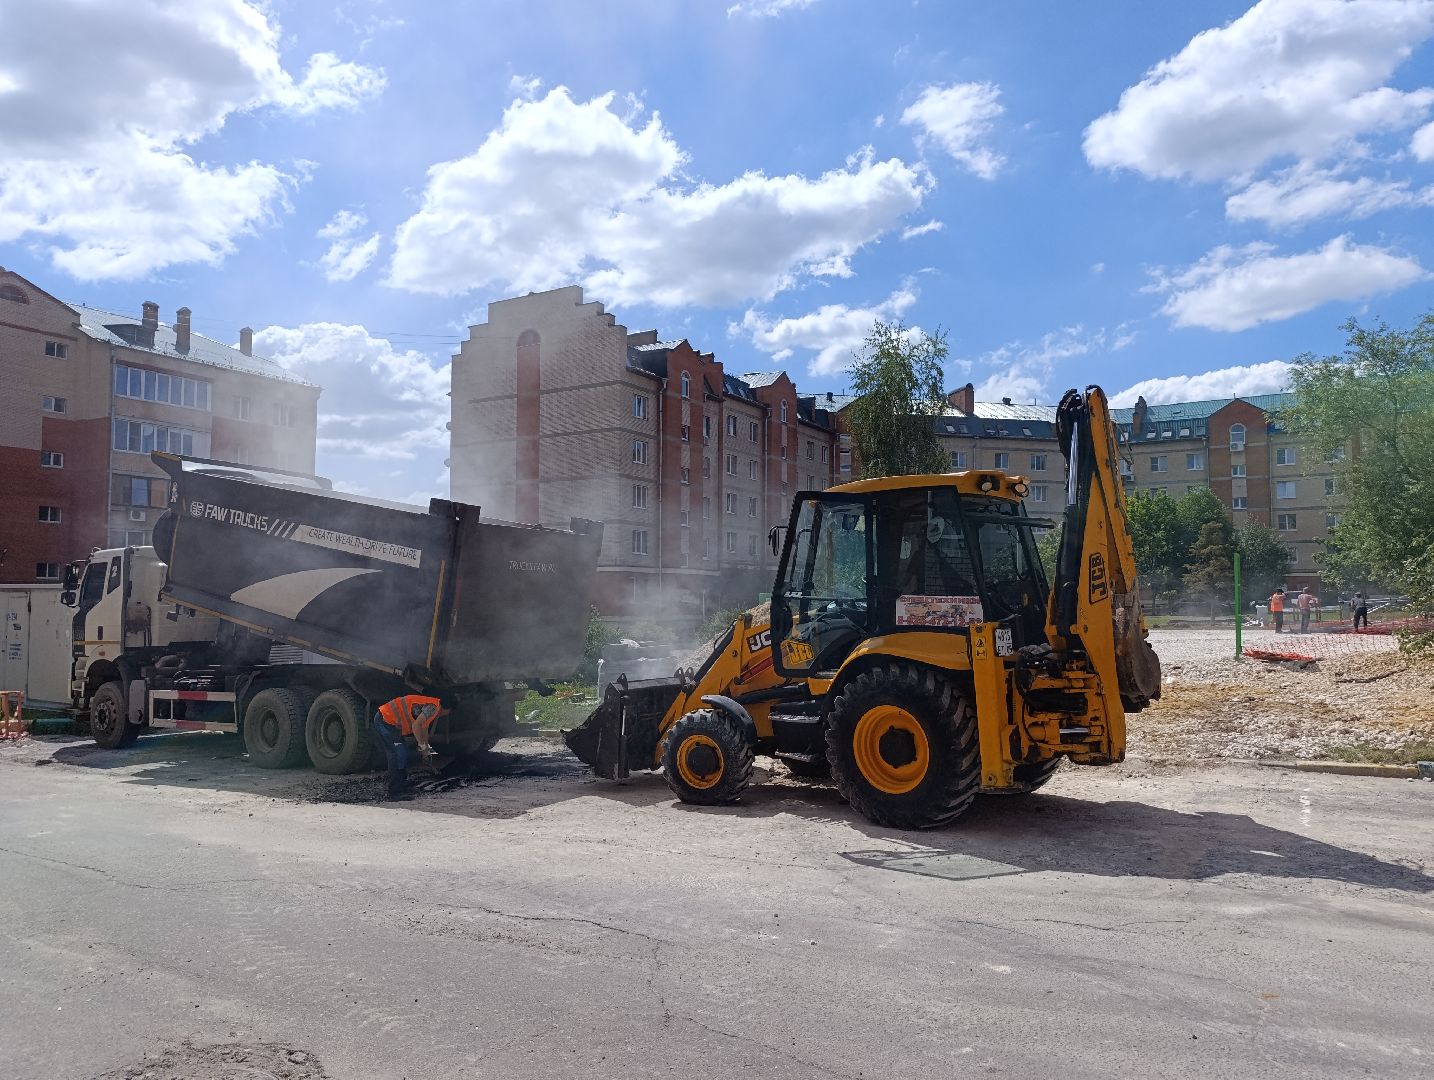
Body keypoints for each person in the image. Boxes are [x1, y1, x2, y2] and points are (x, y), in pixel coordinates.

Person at [373, 694, 446, 800]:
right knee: (398, 754)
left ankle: (402, 786)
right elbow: (416, 726)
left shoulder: (433, 707)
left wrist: (426, 750)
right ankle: (394, 792)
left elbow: (424, 729)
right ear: (448, 709)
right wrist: (422, 746)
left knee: (402, 753)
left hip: (389, 722)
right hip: (385, 721)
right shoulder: (433, 707)